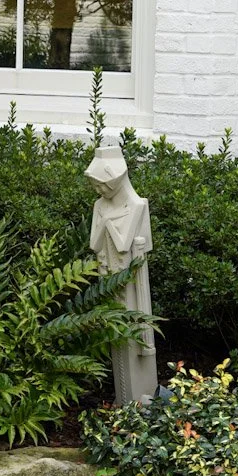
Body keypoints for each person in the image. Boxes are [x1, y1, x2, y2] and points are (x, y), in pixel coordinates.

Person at [85, 142, 157, 403]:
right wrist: (105, 222)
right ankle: (123, 397)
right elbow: (94, 243)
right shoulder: (100, 206)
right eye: (95, 186)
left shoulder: (136, 206)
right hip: (107, 276)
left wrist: (108, 225)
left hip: (129, 281)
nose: (99, 190)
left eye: (102, 184)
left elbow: (125, 244)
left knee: (133, 333)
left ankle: (137, 398)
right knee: (114, 330)